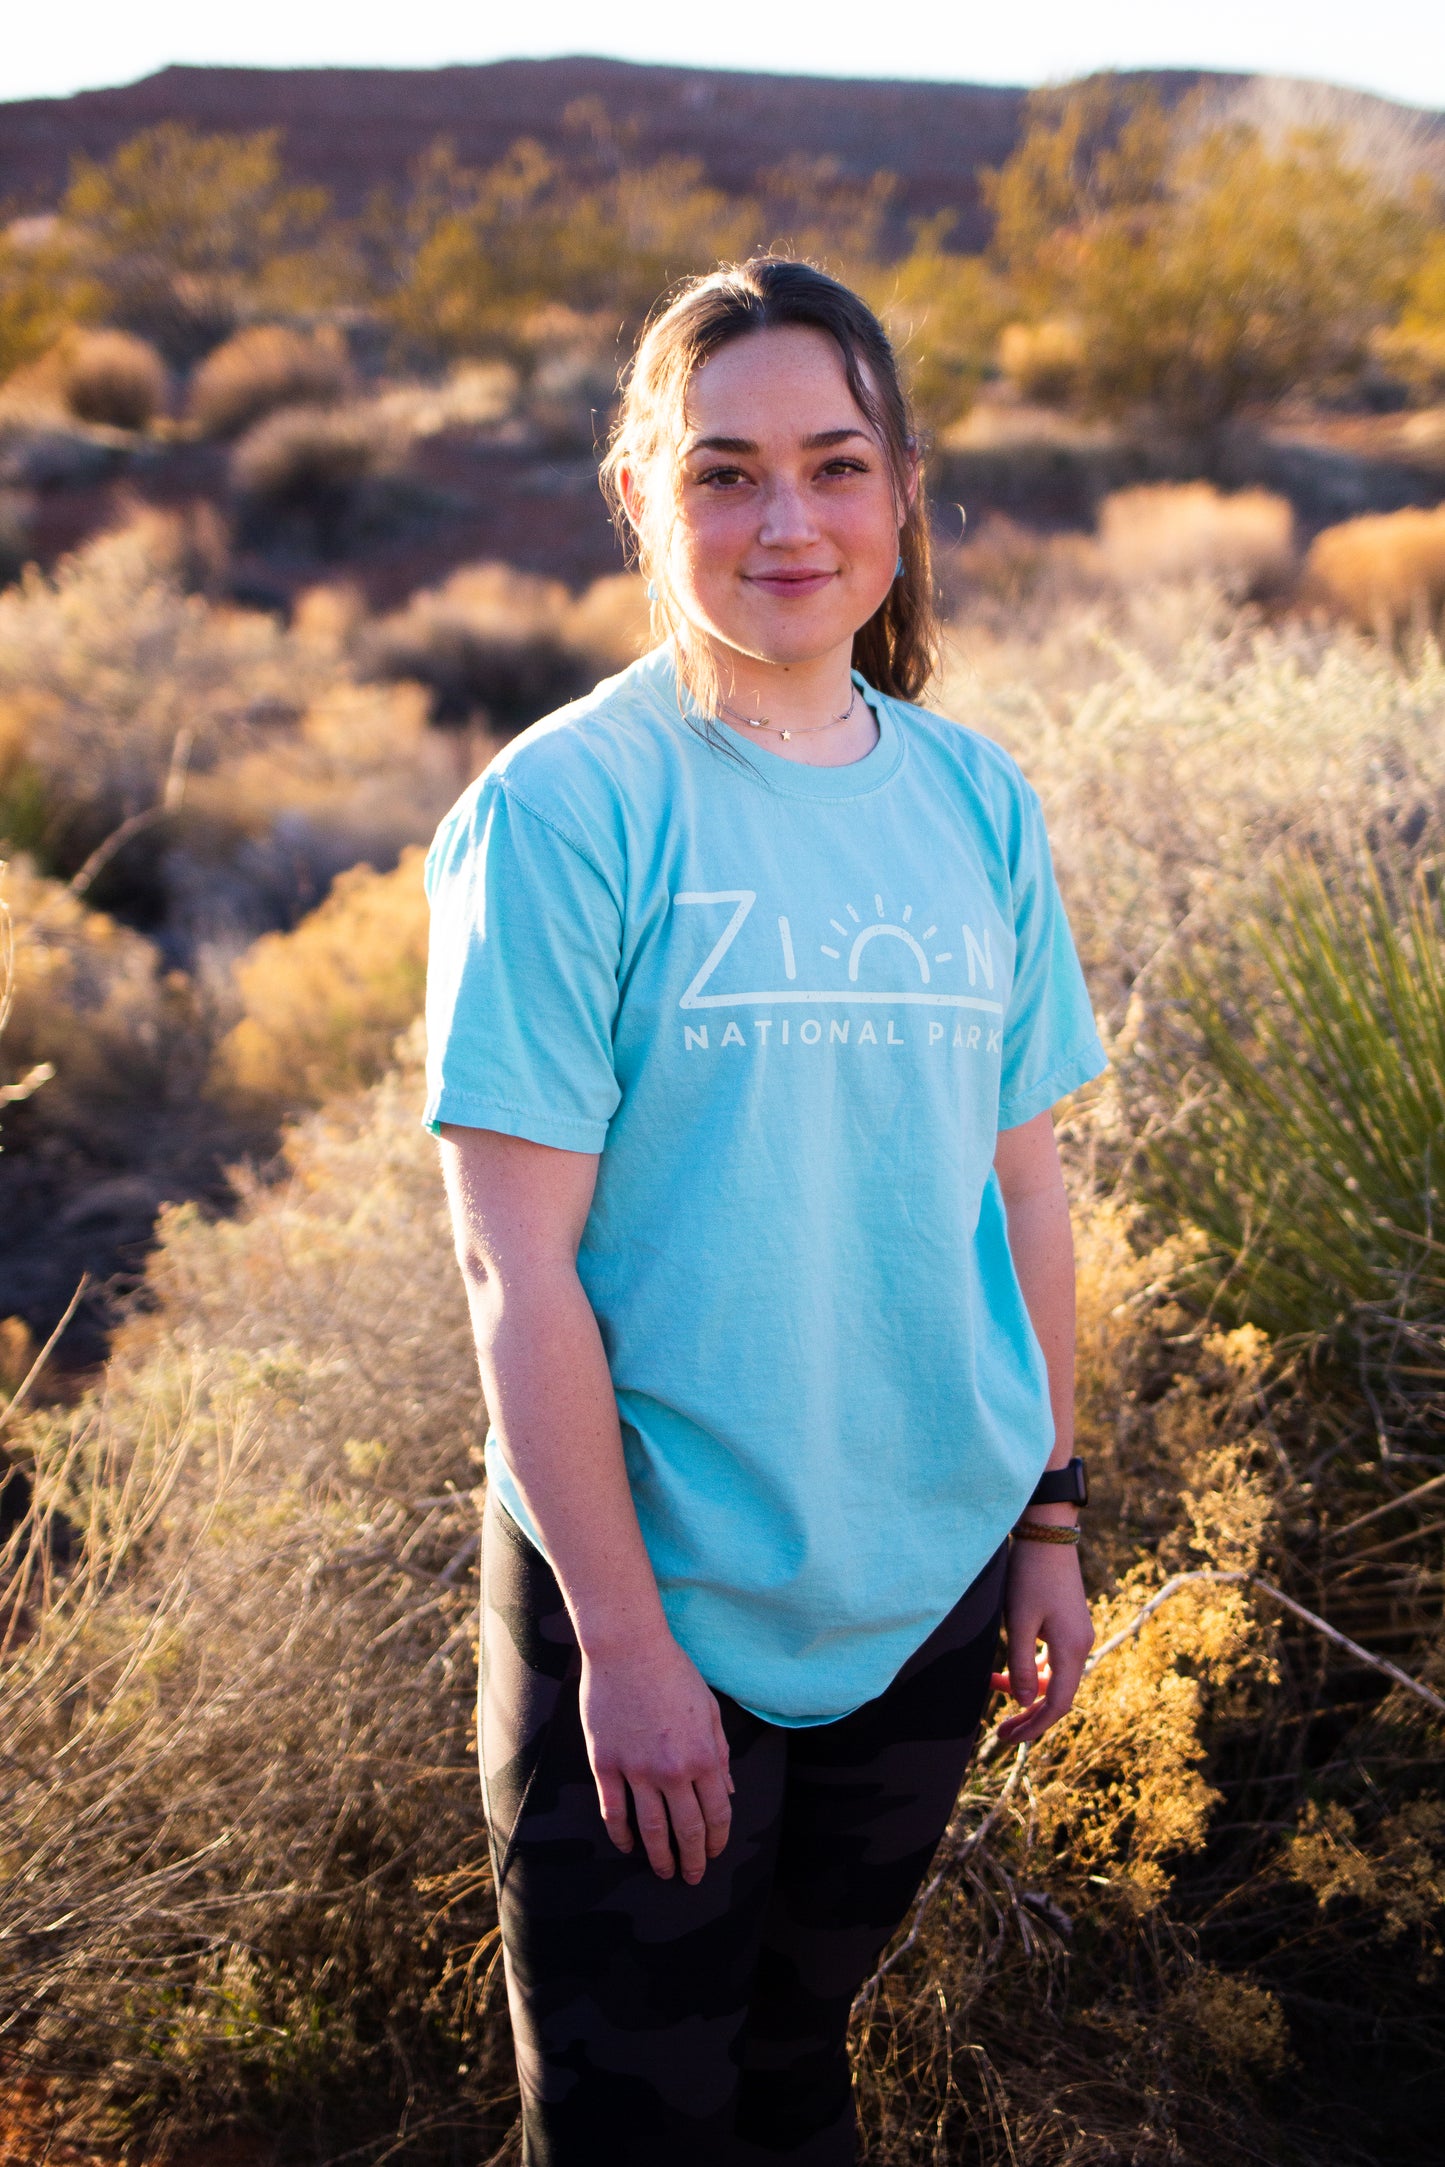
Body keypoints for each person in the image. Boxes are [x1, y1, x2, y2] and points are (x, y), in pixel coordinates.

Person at [424, 257, 1106, 2166]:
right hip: (656, 1601)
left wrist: (1049, 1515)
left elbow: (1022, 1184)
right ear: (641, 495)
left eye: (832, 464)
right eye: (724, 472)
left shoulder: (977, 803)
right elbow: (514, 1264)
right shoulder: (565, 812)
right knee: (639, 2122)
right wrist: (629, 1657)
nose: (785, 520)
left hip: (925, 1579)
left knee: (802, 2072)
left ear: (901, 490)